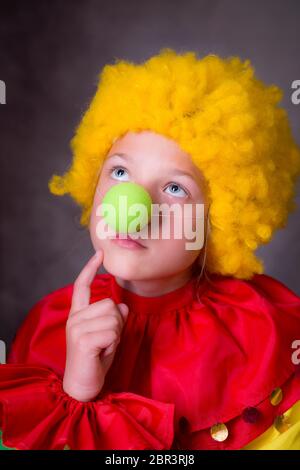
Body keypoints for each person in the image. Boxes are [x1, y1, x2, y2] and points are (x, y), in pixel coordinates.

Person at [0, 49, 300, 450]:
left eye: (175, 189)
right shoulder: (48, 327)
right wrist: (76, 390)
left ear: (222, 218)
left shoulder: (266, 330)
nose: (133, 206)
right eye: (120, 172)